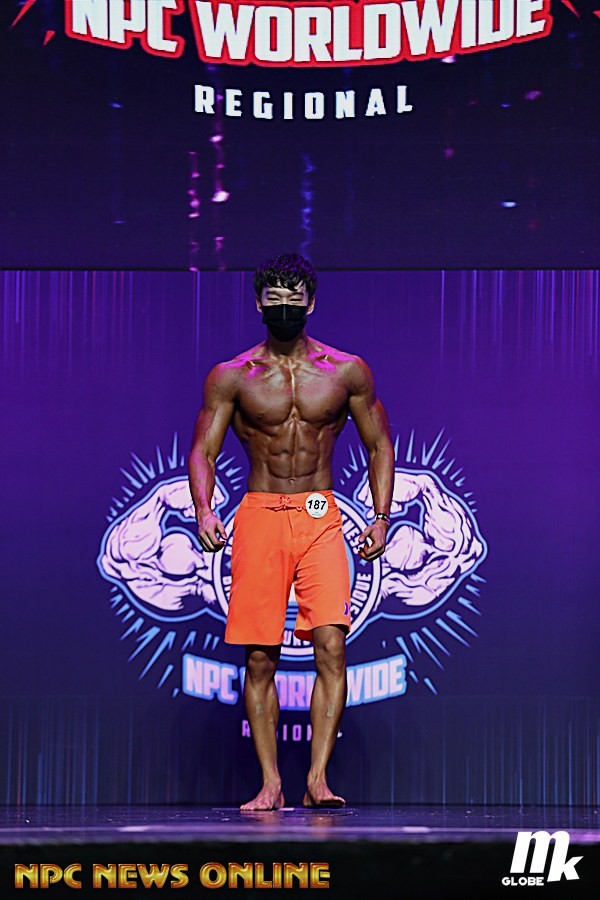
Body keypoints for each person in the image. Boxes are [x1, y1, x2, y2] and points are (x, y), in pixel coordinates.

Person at [188, 253, 394, 810]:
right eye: (274, 298)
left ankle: (317, 780)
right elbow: (203, 450)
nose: (284, 307)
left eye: (293, 297)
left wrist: (381, 517)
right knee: (260, 658)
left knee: (332, 645)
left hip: (319, 511)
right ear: (258, 303)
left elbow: (379, 444)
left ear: (311, 302)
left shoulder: (346, 371)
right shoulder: (232, 376)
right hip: (260, 512)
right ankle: (271, 783)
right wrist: (204, 510)